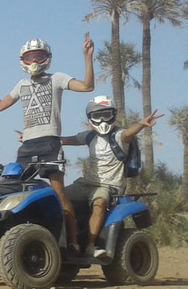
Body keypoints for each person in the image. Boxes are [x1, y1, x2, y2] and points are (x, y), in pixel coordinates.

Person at [0, 34, 95, 254]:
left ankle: (74, 243)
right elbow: (0, 106)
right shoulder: (21, 85)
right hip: (27, 145)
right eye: (29, 57)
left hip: (50, 142)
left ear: (47, 58)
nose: (34, 62)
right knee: (13, 189)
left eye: (39, 56)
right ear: (23, 60)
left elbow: (87, 86)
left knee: (59, 193)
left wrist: (87, 57)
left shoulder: (57, 78)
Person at [61, 96, 162, 258]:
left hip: (108, 185)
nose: (102, 120)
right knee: (57, 198)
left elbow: (129, 132)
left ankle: (90, 246)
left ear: (113, 115)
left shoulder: (119, 136)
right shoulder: (89, 137)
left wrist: (141, 125)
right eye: (97, 116)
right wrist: (34, 139)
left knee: (99, 203)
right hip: (85, 183)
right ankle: (70, 243)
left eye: (106, 115)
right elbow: (65, 140)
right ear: (90, 119)